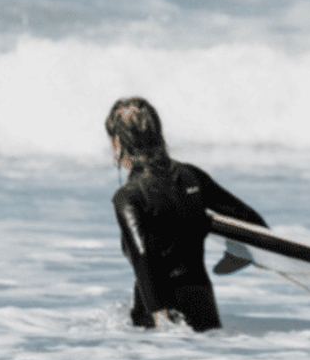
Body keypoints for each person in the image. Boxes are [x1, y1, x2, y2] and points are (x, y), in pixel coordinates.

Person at [105, 96, 266, 333]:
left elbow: (143, 257)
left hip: (159, 316)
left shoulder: (128, 196)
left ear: (117, 143)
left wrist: (159, 315)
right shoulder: (193, 177)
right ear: (160, 134)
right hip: (204, 308)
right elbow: (249, 218)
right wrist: (245, 253)